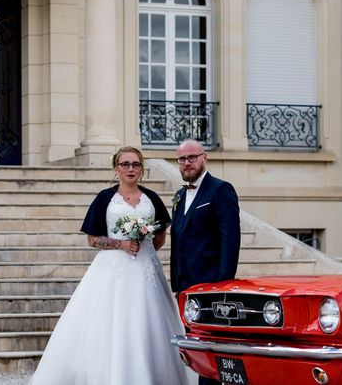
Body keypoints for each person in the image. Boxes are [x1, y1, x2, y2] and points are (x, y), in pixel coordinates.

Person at [30, 146, 189, 385]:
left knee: (151, 323)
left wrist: (142, 249)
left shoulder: (152, 198)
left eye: (135, 164)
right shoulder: (105, 197)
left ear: (142, 169)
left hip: (146, 269)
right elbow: (92, 239)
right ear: (116, 168)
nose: (130, 169)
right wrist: (122, 245)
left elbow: (160, 235)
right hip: (112, 269)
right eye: (125, 164)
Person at [170, 138, 241, 294]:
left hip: (211, 282)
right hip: (183, 284)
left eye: (192, 157)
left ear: (205, 157)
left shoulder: (221, 189)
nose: (187, 162)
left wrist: (223, 284)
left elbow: (230, 240)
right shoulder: (179, 195)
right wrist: (175, 281)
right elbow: (177, 239)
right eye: (182, 159)